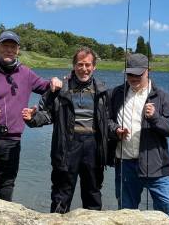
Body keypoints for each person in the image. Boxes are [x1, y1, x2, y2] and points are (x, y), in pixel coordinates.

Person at [0, 30, 62, 201]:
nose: (8, 50)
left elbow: (46, 87)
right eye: (4, 46)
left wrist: (54, 81)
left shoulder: (26, 73)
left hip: (12, 141)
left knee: (6, 186)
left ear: (18, 50)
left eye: (12, 47)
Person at [22, 47, 109, 213]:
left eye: (88, 65)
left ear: (94, 67)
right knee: (61, 196)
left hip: (93, 147)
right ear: (74, 65)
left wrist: (118, 132)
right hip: (66, 147)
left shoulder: (103, 91)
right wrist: (31, 118)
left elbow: (108, 121)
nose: (84, 69)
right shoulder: (60, 89)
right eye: (80, 64)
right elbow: (46, 114)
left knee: (93, 194)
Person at [107, 53, 169, 220]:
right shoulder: (116, 94)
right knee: (125, 215)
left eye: (138, 74)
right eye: (130, 74)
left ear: (148, 71)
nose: (133, 78)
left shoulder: (162, 97)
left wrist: (155, 117)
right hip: (125, 164)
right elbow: (106, 121)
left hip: (157, 167)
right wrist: (115, 129)